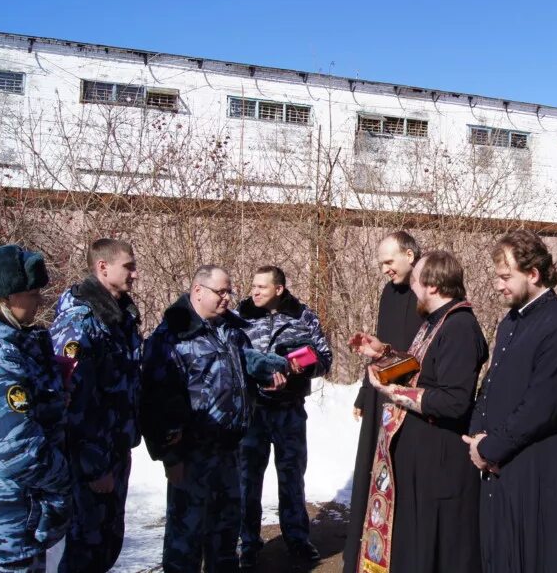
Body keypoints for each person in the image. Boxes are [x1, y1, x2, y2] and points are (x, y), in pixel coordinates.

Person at [140, 265, 291, 573]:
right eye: (220, 292)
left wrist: (265, 379)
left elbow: (242, 371)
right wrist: (170, 456)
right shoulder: (172, 337)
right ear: (198, 291)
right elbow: (156, 402)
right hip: (192, 456)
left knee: (225, 540)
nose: (227, 298)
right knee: (186, 543)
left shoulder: (231, 330)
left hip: (229, 451)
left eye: (229, 292)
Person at [464, 231, 557, 572]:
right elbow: (490, 384)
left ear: (533, 274)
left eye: (506, 277)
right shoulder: (511, 321)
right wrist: (477, 435)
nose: (498, 285)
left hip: (535, 465)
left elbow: (541, 407)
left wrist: (491, 448)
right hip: (500, 464)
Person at [352, 250, 488, 573]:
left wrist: (394, 392)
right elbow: (420, 369)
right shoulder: (436, 321)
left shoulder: (460, 327)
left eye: (415, 281)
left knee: (436, 546)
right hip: (421, 457)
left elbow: (454, 400)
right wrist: (382, 351)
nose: (411, 288)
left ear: (432, 286)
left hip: (440, 461)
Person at [0, 245, 70, 572]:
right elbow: (16, 447)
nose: (40, 301)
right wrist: (64, 479)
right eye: (34, 293)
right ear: (11, 296)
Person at [49, 238, 141, 573]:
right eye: (128, 266)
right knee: (86, 548)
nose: (135, 273)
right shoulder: (80, 320)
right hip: (93, 456)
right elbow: (72, 398)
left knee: (108, 542)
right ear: (103, 268)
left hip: (115, 447)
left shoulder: (120, 316)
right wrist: (93, 465)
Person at [236, 266, 333, 569]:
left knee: (291, 478)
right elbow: (230, 356)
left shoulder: (303, 316)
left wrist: (301, 367)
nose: (255, 292)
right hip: (253, 411)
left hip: (288, 411)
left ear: (279, 289)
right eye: (253, 286)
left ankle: (297, 540)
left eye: (262, 287)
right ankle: (249, 543)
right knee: (247, 479)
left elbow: (324, 358)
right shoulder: (240, 316)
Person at [342, 231, 423, 572]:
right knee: (374, 474)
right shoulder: (388, 293)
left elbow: (420, 355)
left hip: (411, 401)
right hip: (381, 394)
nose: (385, 270)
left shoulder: (427, 291)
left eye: (389, 262)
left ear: (409, 254)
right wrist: (365, 390)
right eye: (382, 264)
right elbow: (381, 347)